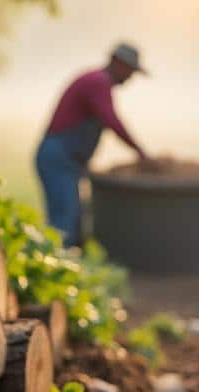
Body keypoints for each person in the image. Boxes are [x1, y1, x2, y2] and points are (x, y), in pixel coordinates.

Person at [36, 43, 150, 247]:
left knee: (77, 221)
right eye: (130, 71)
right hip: (58, 160)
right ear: (117, 63)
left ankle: (74, 269)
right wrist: (140, 152)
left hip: (69, 162)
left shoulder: (98, 82)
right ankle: (55, 271)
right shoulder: (97, 82)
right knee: (63, 225)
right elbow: (111, 120)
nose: (130, 77)